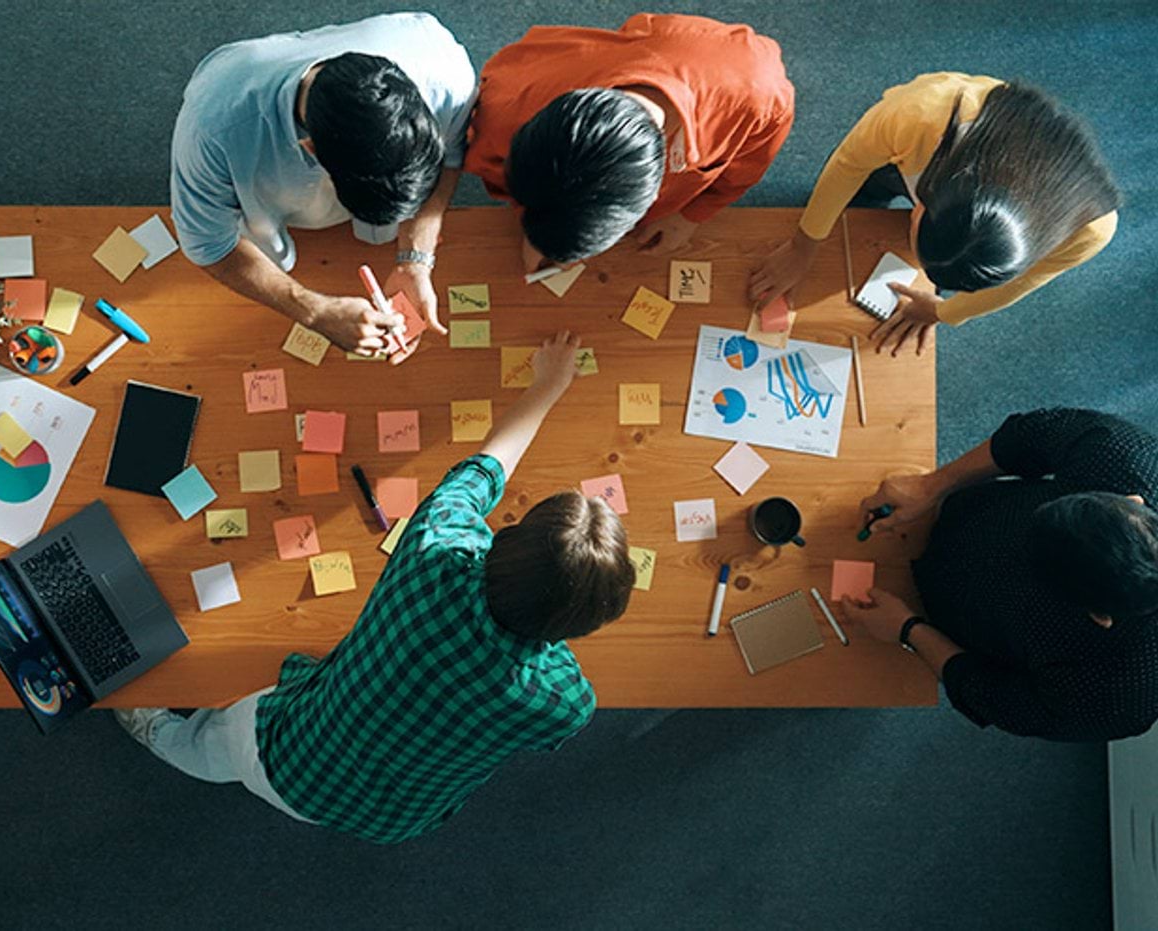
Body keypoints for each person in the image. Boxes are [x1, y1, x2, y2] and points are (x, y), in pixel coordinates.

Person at [117, 331, 636, 841]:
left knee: (213, 745)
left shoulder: (435, 552)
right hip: (394, 819)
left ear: (504, 540)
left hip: (288, 763)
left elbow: (487, 466)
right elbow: (555, 693)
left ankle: (155, 733)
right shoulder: (565, 703)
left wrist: (546, 387)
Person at [169, 13, 476, 359]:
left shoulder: (447, 74)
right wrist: (314, 311)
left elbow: (451, 157)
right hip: (233, 91)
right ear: (311, 151)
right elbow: (209, 246)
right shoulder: (211, 132)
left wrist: (415, 260)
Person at [841, 408, 1158, 742]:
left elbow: (989, 694)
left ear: (1100, 616)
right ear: (1130, 501)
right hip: (969, 513)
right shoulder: (1129, 460)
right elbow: (1027, 435)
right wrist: (931, 486)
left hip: (954, 620)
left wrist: (908, 630)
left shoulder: (1120, 696)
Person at [750, 74, 1119, 356]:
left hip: (957, 171)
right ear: (926, 196)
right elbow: (848, 164)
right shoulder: (918, 116)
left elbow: (1023, 283)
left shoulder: (1090, 229)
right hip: (924, 144)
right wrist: (804, 246)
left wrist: (944, 311)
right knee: (871, 185)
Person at [462, 13, 793, 273]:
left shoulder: (758, 96)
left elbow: (747, 165)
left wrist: (691, 214)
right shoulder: (499, 115)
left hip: (693, 57)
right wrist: (540, 231)